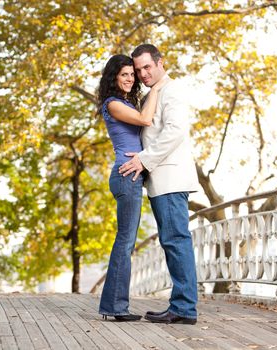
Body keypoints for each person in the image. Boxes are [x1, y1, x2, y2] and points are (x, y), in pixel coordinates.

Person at [119, 44, 200, 325]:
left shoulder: (171, 91)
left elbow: (175, 132)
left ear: (160, 62)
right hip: (160, 180)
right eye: (138, 69)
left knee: (176, 241)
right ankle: (181, 305)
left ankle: (184, 308)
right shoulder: (153, 94)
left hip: (170, 178)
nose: (142, 74)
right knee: (172, 242)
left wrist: (143, 159)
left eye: (147, 67)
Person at [97, 54, 167, 321]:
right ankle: (115, 307)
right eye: (124, 74)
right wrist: (158, 87)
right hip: (126, 175)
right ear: (114, 77)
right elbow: (146, 119)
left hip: (132, 175)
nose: (129, 78)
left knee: (125, 242)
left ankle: (113, 306)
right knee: (125, 242)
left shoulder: (125, 101)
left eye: (131, 74)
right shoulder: (113, 104)